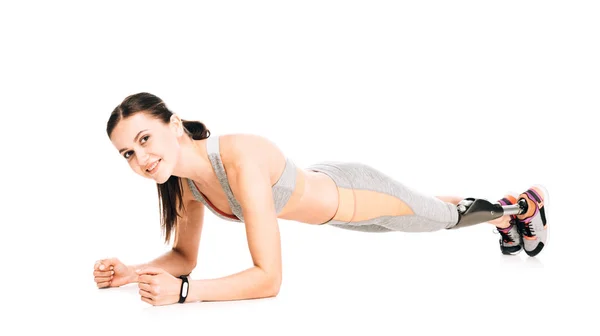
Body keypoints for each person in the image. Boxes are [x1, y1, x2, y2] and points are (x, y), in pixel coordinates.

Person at [93, 92, 549, 306]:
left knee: (442, 218)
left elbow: (268, 279)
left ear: (174, 123)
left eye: (145, 138)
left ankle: (520, 207)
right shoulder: (185, 185)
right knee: (425, 207)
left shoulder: (239, 159)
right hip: (337, 214)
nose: (141, 158)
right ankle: (500, 217)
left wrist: (185, 294)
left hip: (355, 194)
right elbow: (183, 256)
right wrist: (134, 273)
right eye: (128, 153)